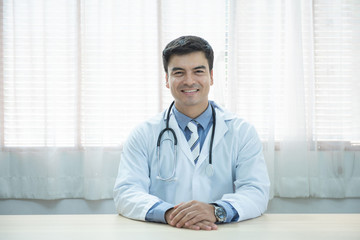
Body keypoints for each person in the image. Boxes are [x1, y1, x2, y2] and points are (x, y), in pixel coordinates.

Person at [113, 35, 270, 231]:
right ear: (167, 80)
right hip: (164, 233)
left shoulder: (242, 132)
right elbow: (126, 192)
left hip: (223, 233)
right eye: (178, 72)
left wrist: (216, 211)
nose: (189, 81)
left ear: (211, 76)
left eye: (198, 71)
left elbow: (256, 191)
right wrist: (170, 213)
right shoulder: (144, 133)